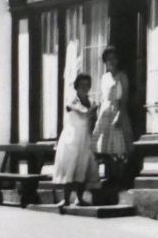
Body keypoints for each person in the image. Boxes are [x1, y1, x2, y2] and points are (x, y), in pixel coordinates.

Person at [52, 73, 98, 209]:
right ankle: (66, 199)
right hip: (71, 138)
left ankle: (80, 198)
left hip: (84, 137)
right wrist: (93, 109)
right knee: (70, 166)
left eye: (87, 85)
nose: (84, 88)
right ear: (76, 87)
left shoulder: (92, 101)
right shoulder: (72, 101)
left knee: (82, 166)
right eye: (81, 85)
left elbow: (93, 120)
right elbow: (83, 113)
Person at [92, 46, 133, 185]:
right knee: (105, 145)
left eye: (113, 58)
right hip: (105, 111)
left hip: (117, 109)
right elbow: (103, 97)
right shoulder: (104, 77)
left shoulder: (122, 76)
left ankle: (119, 178)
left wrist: (119, 115)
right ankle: (109, 176)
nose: (111, 62)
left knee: (118, 144)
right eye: (108, 59)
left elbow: (125, 97)